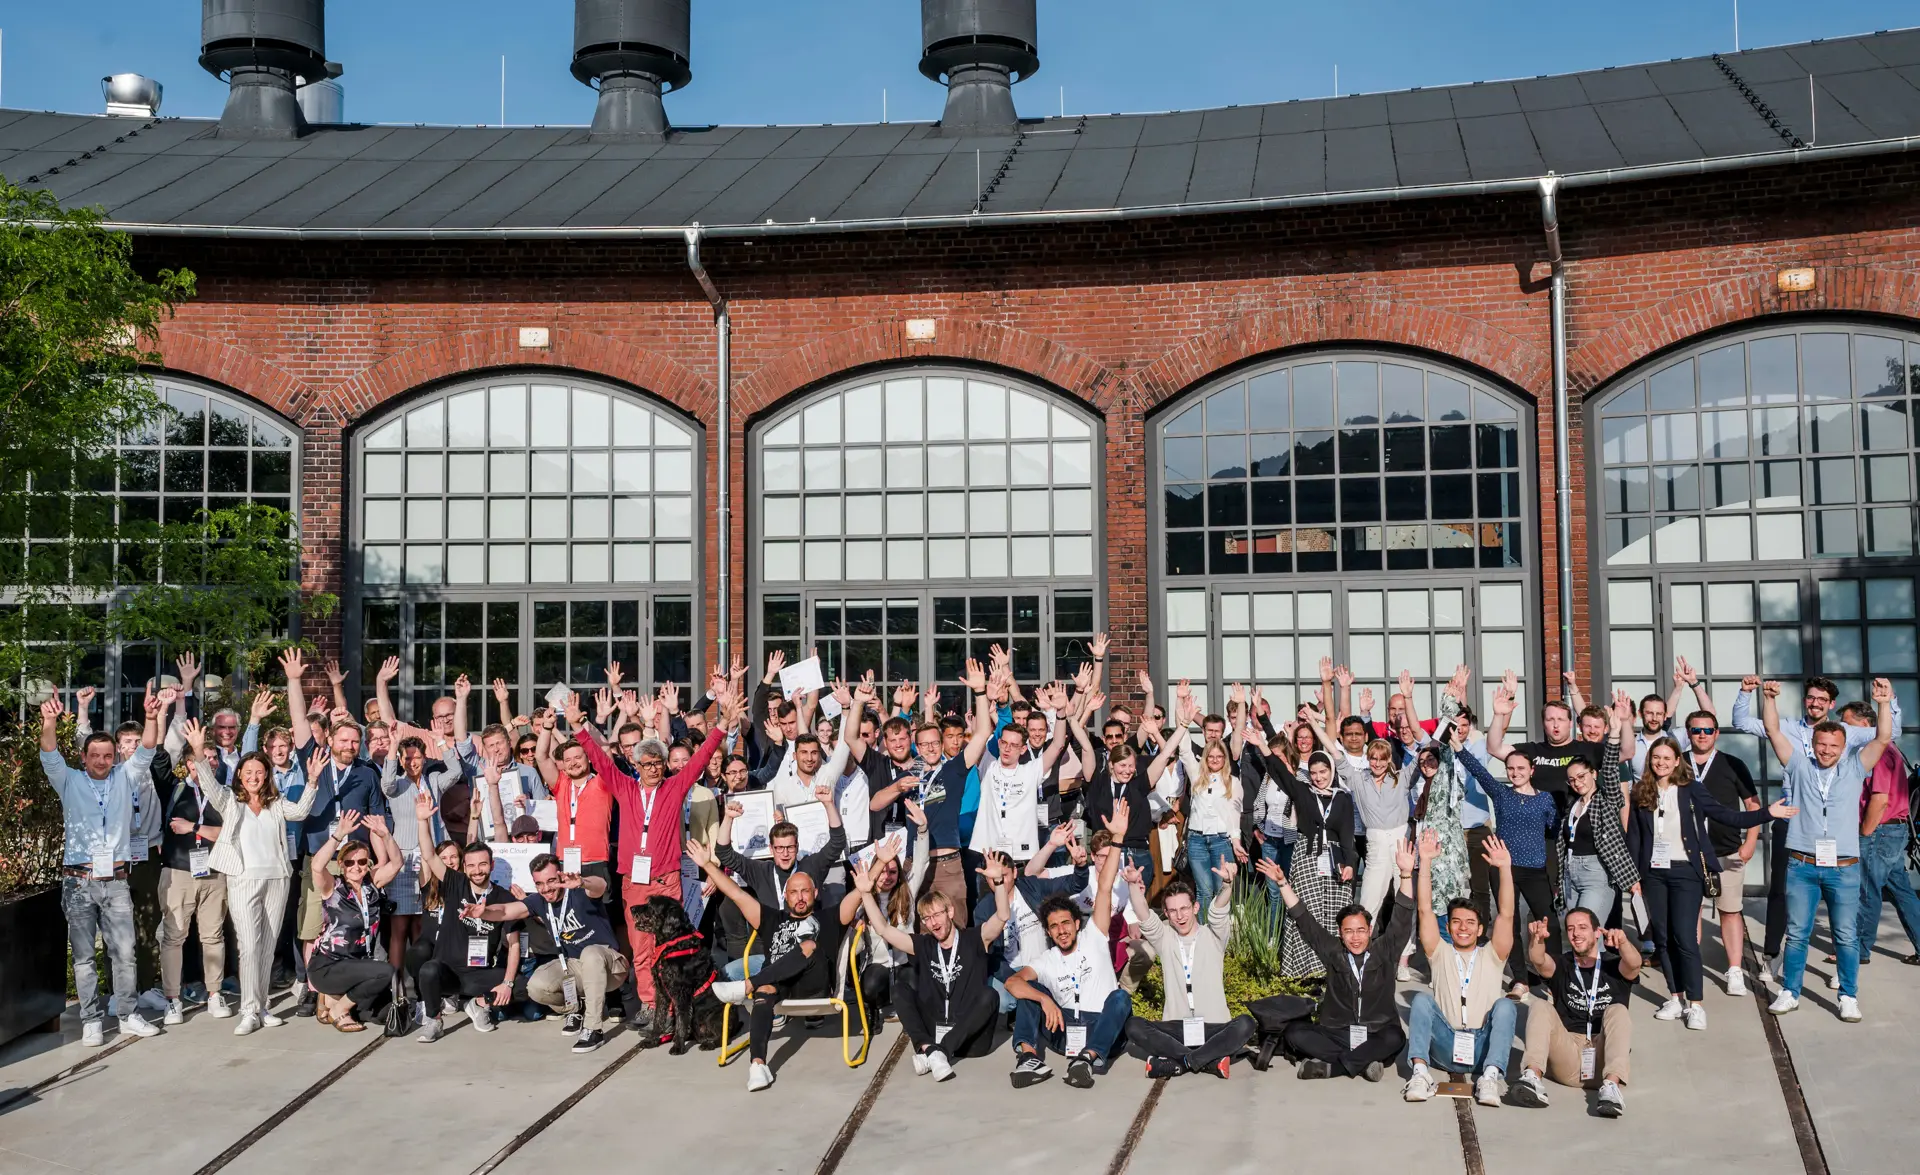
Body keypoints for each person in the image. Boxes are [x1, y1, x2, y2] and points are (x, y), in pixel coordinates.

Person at [569, 683, 735, 1034]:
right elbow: (599, 760)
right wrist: (578, 728)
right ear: (637, 764)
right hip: (634, 882)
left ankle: (673, 1006)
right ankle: (649, 1003)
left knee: (670, 948)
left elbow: (702, 758)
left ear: (663, 765)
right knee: (641, 948)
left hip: (666, 882)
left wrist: (722, 726)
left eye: (657, 763)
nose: (653, 769)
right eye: (646, 764)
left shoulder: (675, 788)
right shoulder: (626, 788)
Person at [1731, 673, 1904, 968]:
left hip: (1833, 826)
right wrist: (1747, 693)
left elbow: (1890, 733)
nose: (1815, 703)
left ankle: (1842, 960)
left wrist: (1889, 701)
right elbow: (1743, 723)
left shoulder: (1847, 732)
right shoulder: (1788, 728)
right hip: (1793, 819)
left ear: (1831, 704)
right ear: (1805, 701)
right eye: (1811, 697)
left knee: (1840, 896)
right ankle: (1773, 954)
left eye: (1822, 699)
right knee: (1781, 890)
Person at [1626, 735, 1789, 1030]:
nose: (1661, 763)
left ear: (1678, 761)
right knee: (1662, 938)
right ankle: (1675, 997)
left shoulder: (1691, 791)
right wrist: (1634, 876)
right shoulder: (1642, 793)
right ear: (1650, 762)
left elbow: (1726, 816)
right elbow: (1635, 838)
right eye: (1656, 758)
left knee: (1685, 938)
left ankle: (1696, 1004)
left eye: (1667, 758)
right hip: (1653, 875)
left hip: (1686, 872)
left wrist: (1766, 814)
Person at [1760, 677, 1893, 1021]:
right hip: (1802, 865)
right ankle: (1790, 991)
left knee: (1846, 936)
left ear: (1843, 745)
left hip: (1843, 866)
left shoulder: (1855, 768)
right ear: (1814, 744)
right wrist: (1770, 699)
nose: (1827, 750)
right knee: (1798, 933)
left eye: (1834, 746)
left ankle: (1848, 995)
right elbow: (1774, 732)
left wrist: (1883, 703)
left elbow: (1882, 737)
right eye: (1821, 744)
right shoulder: (1800, 765)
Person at [39, 689, 166, 1046]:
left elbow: (147, 750)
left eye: (107, 754)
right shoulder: (71, 781)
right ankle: (91, 1019)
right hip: (78, 882)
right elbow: (49, 754)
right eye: (94, 754)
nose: (101, 760)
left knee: (123, 952)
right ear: (83, 756)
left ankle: (126, 1014)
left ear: (114, 757)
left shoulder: (125, 777)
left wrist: (152, 717)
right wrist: (49, 722)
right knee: (82, 957)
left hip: (117, 881)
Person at [184, 721, 321, 1034]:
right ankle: (248, 1011)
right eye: (249, 773)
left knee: (267, 947)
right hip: (243, 880)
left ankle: (262, 1006)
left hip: (277, 879)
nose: (255, 777)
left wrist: (312, 781)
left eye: (259, 772)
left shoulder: (275, 803)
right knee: (248, 946)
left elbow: (299, 812)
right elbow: (209, 785)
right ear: (240, 777)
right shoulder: (231, 801)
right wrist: (198, 750)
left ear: (266, 775)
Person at [693, 838, 852, 1092]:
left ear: (815, 893)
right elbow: (735, 892)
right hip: (779, 985)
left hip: (814, 987)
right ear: (785, 896)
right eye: (794, 892)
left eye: (805, 891)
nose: (800, 897)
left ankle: (746, 985)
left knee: (808, 946)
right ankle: (758, 1065)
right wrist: (708, 866)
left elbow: (857, 895)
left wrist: (875, 873)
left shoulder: (829, 917)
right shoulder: (771, 919)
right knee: (765, 990)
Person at [1254, 836, 1415, 1081]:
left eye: (1361, 930)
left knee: (1396, 1037)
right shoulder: (1333, 952)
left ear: (1370, 931)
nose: (1356, 938)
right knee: (1295, 1033)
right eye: (1349, 931)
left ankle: (1335, 1067)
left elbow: (1402, 918)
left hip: (1376, 1032)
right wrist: (1283, 884)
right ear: (1340, 933)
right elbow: (1305, 921)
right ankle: (1363, 1064)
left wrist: (1405, 873)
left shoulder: (1385, 950)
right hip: (1339, 1033)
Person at [851, 848, 1012, 1081]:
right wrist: (866, 894)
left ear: (950, 912)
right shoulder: (923, 944)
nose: (932, 923)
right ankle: (928, 1048)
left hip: (972, 1041)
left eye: (937, 915)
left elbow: (1002, 916)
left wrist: (997, 883)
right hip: (935, 1030)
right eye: (926, 918)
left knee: (990, 995)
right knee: (900, 990)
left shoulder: (974, 938)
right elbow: (884, 929)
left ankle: (938, 1052)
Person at [1003, 802, 1132, 1089]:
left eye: (1065, 923)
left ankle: (1087, 1060)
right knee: (1029, 990)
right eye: (1054, 926)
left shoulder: (1094, 936)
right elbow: (1012, 982)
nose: (1061, 930)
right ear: (1048, 931)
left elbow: (1106, 886)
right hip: (1064, 1031)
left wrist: (1118, 839)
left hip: (1100, 1028)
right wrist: (1044, 999)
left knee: (1120, 998)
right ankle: (1027, 1058)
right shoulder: (1047, 959)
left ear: (1076, 923)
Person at [464, 852, 626, 1052]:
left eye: (551, 881)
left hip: (610, 965)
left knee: (590, 953)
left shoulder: (577, 891)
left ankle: (593, 1029)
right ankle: (575, 1009)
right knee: (536, 985)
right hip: (576, 967)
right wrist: (484, 912)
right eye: (539, 883)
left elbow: (600, 885)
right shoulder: (538, 902)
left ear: (560, 876)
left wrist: (582, 882)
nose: (546, 888)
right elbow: (507, 910)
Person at [1404, 830, 1517, 1107]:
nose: (1463, 927)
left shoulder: (1493, 954)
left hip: (1482, 1046)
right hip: (1446, 1043)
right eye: (1456, 922)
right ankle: (1420, 1073)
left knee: (1506, 1005)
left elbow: (1507, 914)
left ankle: (1490, 1077)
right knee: (1421, 999)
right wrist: (1426, 863)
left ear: (1480, 929)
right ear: (1449, 927)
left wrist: (1504, 869)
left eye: (1469, 922)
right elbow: (1425, 910)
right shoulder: (1439, 952)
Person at [1122, 858, 1258, 1079]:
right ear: (1166, 913)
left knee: (1246, 1023)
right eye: (1173, 911)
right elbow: (1144, 915)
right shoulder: (1165, 938)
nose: (1180, 916)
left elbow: (1219, 911)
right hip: (1178, 1030)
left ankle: (1182, 1062)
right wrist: (1131, 885)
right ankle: (1207, 1062)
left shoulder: (1213, 936)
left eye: (1184, 908)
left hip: (1213, 1028)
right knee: (1134, 1025)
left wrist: (1226, 886)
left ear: (1195, 907)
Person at [1511, 908, 1640, 1116]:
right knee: (1540, 1006)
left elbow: (1634, 965)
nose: (1576, 934)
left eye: (1582, 927)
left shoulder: (1613, 964)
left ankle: (1611, 1089)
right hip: (1567, 1053)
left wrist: (1623, 943)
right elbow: (1539, 961)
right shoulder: (1563, 964)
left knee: (1618, 1010)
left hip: (1602, 1056)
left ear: (1597, 932)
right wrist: (1537, 939)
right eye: (1570, 929)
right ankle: (1532, 1078)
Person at [1679, 704, 1763, 995]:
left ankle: (1735, 970)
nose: (1701, 735)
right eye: (1695, 730)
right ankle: (1692, 970)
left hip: (1726, 850)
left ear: (1716, 733)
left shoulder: (1732, 763)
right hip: (1687, 852)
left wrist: (1750, 841)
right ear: (1688, 733)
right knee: (1692, 912)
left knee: (1730, 911)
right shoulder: (1677, 763)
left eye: (1707, 730)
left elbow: (1753, 804)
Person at [1834, 700, 1920, 967]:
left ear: (1864, 723)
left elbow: (1879, 799)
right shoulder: (1890, 749)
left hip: (1880, 831)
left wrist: (1864, 833)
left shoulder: (1879, 752)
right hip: (1894, 830)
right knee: (1902, 892)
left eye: (1846, 723)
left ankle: (1858, 949)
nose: (1843, 729)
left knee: (1866, 891)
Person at [158, 713, 231, 1024]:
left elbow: (229, 834)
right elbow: (158, 758)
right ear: (189, 763)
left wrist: (193, 827)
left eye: (214, 759)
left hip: (214, 872)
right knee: (174, 936)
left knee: (213, 935)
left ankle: (214, 994)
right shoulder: (173, 788)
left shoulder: (225, 794)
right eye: (204, 758)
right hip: (177, 872)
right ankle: (172, 999)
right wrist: (163, 713)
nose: (210, 763)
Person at [414, 830, 522, 1042]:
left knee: (523, 985)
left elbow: (514, 944)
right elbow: (428, 854)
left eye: (483, 864)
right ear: (464, 868)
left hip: (479, 977)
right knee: (428, 969)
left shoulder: (504, 897)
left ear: (491, 866)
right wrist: (422, 819)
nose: (477, 870)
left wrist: (507, 983)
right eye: (471, 865)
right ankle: (434, 1020)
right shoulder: (455, 883)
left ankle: (479, 1003)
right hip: (448, 975)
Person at [306, 809, 404, 1032]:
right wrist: (338, 835)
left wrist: (385, 835)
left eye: (361, 861)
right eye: (349, 863)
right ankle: (338, 1009)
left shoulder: (372, 885)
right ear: (341, 865)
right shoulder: (334, 888)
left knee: (383, 1011)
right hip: (328, 965)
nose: (356, 867)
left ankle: (332, 999)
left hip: (357, 964)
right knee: (386, 972)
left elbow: (396, 863)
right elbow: (316, 866)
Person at [1558, 694, 1638, 937]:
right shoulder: (1572, 807)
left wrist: (1614, 734)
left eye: (1582, 776)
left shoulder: (1606, 799)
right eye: (1572, 779)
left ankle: (1602, 975)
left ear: (1594, 773)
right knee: (1572, 936)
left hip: (1597, 874)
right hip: (1569, 876)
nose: (1577, 782)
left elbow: (1612, 769)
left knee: (1589, 935)